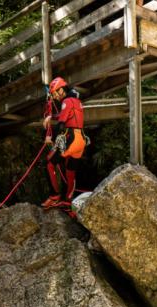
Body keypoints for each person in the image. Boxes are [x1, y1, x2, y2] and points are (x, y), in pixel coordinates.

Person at [41, 76, 87, 212]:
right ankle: (68, 202)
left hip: (71, 138)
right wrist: (52, 117)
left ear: (62, 90)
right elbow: (67, 116)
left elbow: (61, 124)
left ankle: (54, 196)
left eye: (55, 93)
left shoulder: (67, 101)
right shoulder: (77, 101)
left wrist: (50, 137)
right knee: (70, 170)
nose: (54, 96)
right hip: (81, 140)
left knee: (49, 162)